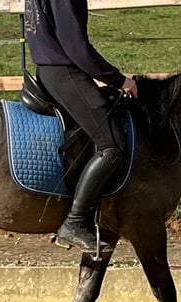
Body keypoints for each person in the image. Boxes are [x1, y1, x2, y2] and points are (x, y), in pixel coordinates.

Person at [24, 0, 138, 252]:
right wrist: (119, 79)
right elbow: (77, 49)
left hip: (47, 69)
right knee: (114, 145)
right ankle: (73, 222)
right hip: (64, 72)